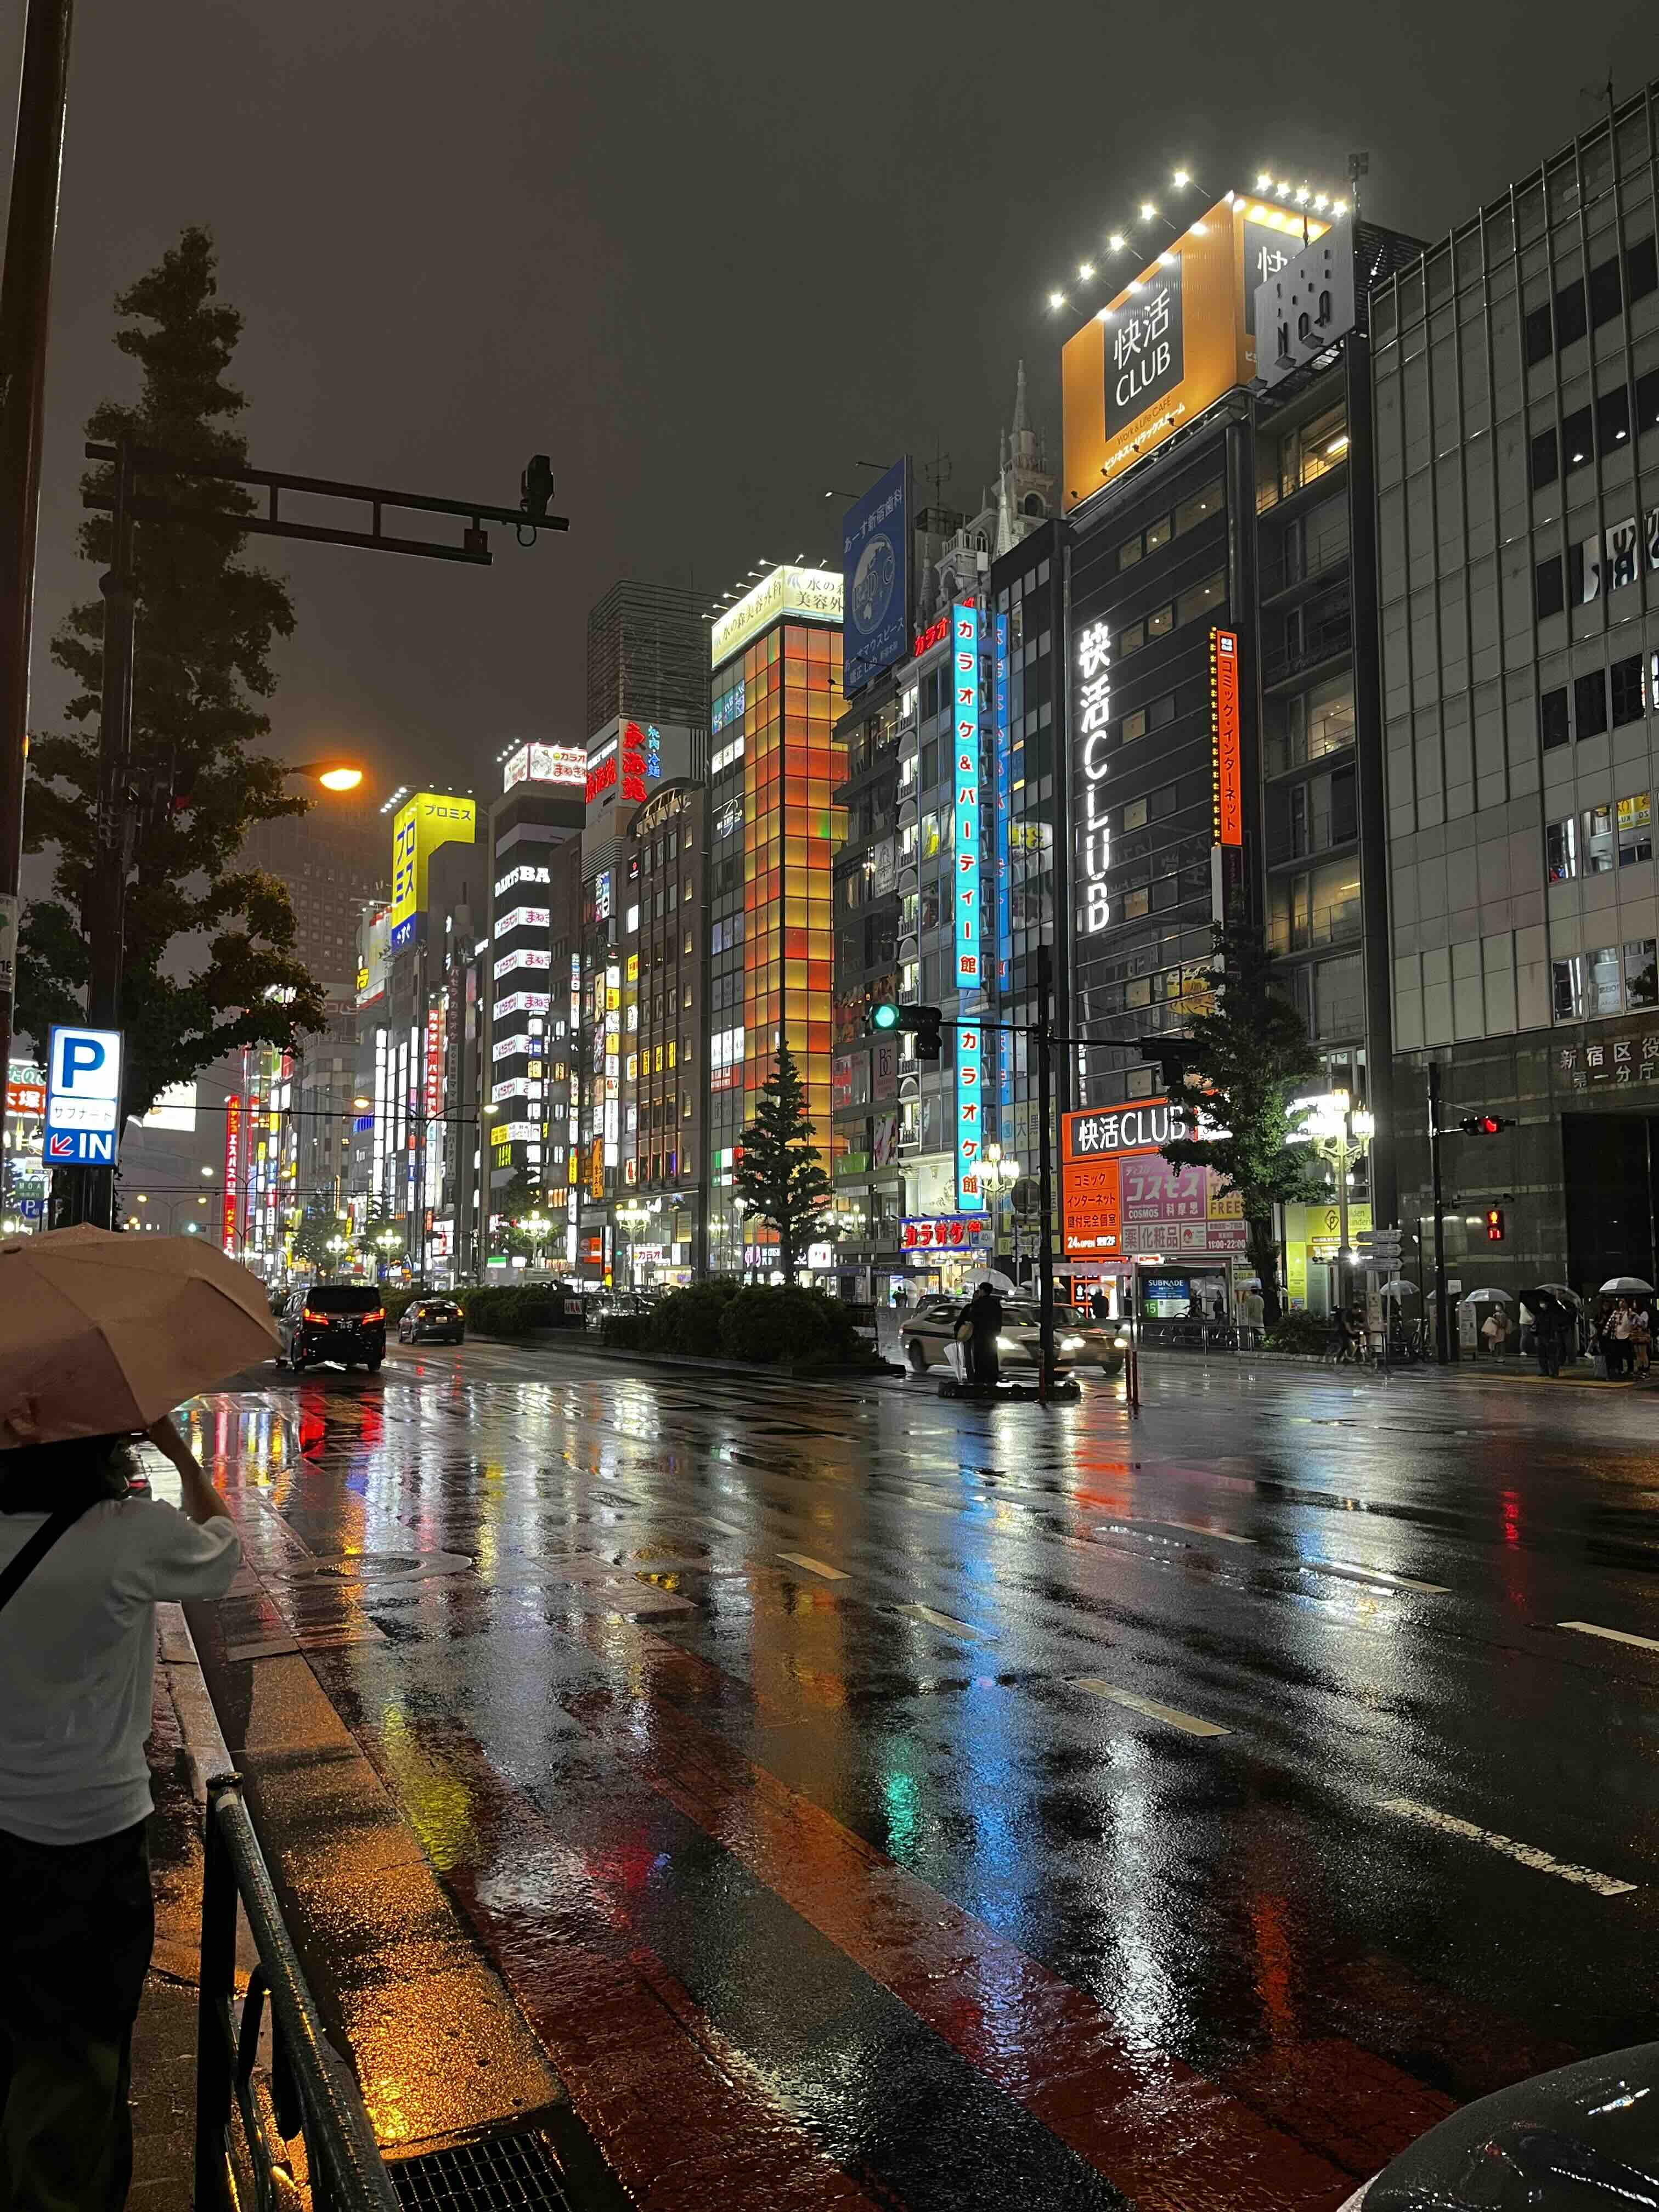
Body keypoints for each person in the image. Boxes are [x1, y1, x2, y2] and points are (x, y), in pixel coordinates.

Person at [0, 1415, 241, 2209]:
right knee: (82, 2051)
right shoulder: (130, 1533)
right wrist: (179, 1451)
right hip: (95, 1839)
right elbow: (222, 1548)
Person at [956, 1279, 1004, 1391]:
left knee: (980, 1357)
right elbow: (999, 1319)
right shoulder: (996, 1304)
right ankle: (993, 1377)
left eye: (980, 1290)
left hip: (980, 1335)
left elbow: (973, 1319)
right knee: (992, 1356)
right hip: (992, 1335)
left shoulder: (979, 1304)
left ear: (983, 1291)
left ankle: (981, 1378)